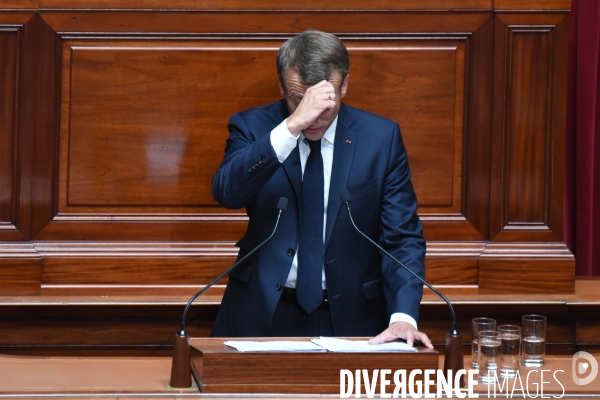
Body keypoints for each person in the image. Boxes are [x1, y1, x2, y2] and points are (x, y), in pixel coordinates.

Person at [211, 30, 432, 348]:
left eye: (324, 102)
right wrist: (291, 126)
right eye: (298, 100)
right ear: (281, 87)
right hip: (261, 313)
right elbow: (226, 192)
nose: (313, 116)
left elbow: (403, 239)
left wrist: (403, 316)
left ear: (343, 85)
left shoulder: (380, 139)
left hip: (355, 318)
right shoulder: (252, 127)